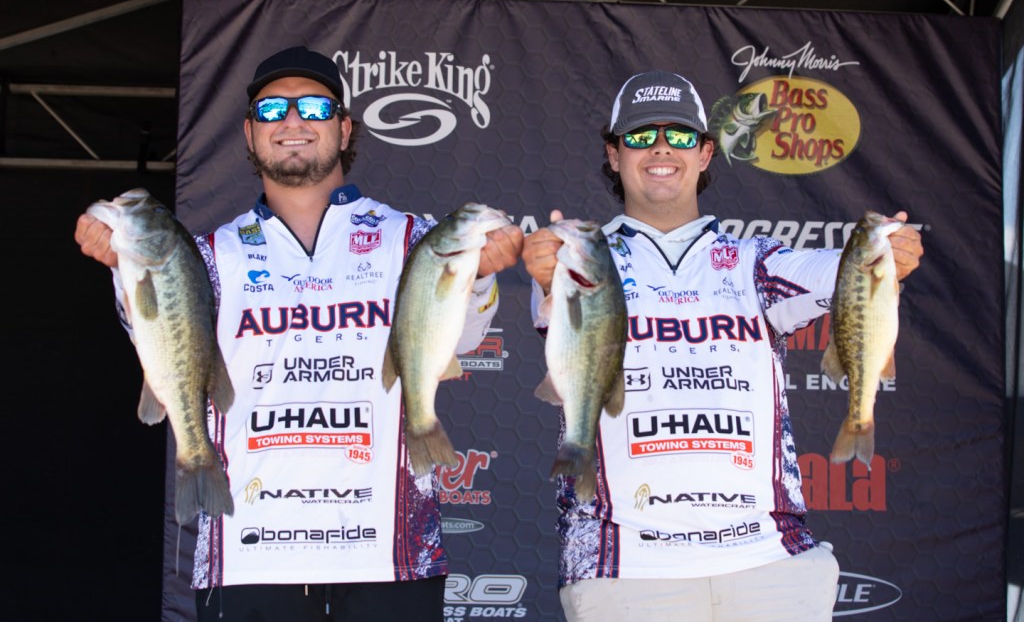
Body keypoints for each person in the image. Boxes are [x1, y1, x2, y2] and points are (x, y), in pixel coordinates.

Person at [75, 45, 523, 620]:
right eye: (271, 110)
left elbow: (462, 343)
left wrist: (479, 277)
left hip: (391, 558)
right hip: (249, 557)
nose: (292, 122)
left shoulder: (413, 238)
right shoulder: (207, 255)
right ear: (249, 133)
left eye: (313, 107)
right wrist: (125, 267)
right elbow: (160, 348)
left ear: (344, 127)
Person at [522, 70, 924, 622]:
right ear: (614, 155)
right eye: (640, 136)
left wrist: (886, 254)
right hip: (624, 571)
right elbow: (551, 307)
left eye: (680, 135)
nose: (661, 148)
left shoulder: (757, 263)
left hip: (770, 563)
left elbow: (840, 272)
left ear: (705, 153)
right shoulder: (578, 258)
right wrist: (547, 272)